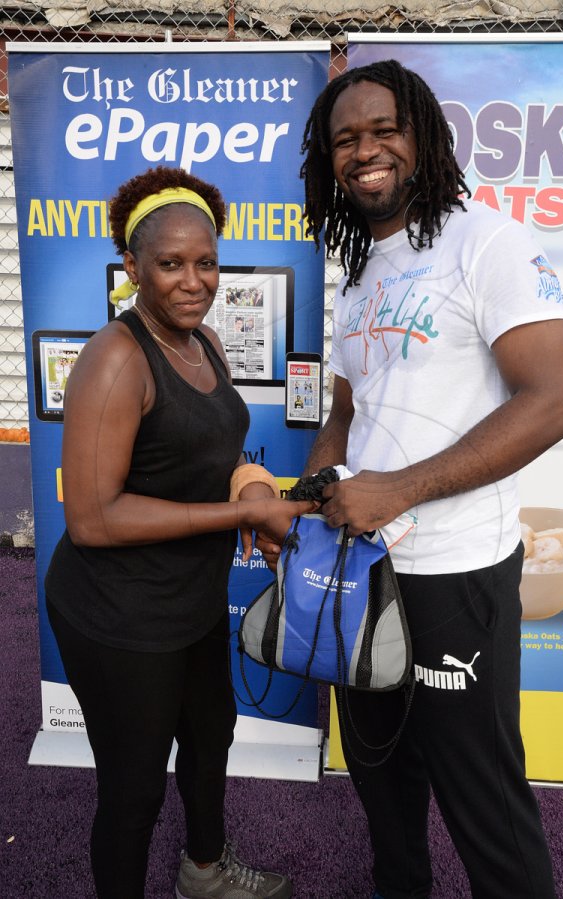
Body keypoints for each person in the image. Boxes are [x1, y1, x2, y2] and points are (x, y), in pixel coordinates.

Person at [257, 60, 563, 899]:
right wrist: (315, 490)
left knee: (482, 798)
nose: (365, 151)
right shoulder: (359, 271)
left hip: (456, 572)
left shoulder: (490, 242)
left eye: (383, 130)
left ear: (423, 138)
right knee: (380, 781)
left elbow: (552, 403)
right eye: (344, 140)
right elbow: (345, 412)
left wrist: (399, 489)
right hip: (361, 569)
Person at [44, 165, 313, 899]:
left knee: (209, 739)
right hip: (117, 613)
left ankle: (204, 870)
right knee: (133, 792)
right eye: (169, 264)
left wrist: (251, 484)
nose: (193, 281)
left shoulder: (209, 344)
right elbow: (94, 518)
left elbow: (216, 456)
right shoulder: (115, 359)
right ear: (132, 267)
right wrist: (243, 514)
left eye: (206, 263)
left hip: (191, 597)